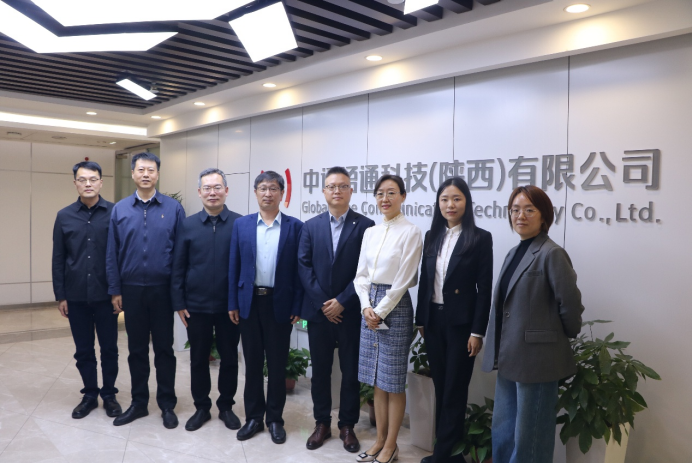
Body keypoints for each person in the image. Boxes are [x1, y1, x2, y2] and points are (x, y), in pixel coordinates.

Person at [481, 186, 584, 463]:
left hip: (538, 360)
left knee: (531, 436)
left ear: (544, 215)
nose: (520, 215)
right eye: (515, 210)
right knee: (504, 430)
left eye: (529, 209)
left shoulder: (551, 253)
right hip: (509, 355)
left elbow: (570, 303)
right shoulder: (514, 252)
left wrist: (561, 336)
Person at [416, 177, 494, 464]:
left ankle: (444, 456)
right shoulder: (432, 235)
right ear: (438, 203)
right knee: (440, 385)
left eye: (457, 198)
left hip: (461, 325)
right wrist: (421, 320)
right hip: (433, 322)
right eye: (445, 199)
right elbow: (426, 281)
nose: (450, 204)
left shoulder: (480, 238)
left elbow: (484, 289)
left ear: (467, 202)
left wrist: (477, 332)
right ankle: (449, 454)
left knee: (454, 389)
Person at [298, 167, 375, 454]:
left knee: (350, 371)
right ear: (324, 191)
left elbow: (366, 270)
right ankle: (321, 423)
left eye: (342, 186)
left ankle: (347, 426)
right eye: (331, 186)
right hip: (319, 314)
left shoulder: (365, 225)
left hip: (351, 312)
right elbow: (304, 267)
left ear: (351, 190)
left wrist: (342, 301)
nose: (337, 191)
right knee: (320, 371)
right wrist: (324, 303)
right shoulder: (310, 226)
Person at [106, 152, 186, 429]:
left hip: (162, 290)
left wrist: (178, 293)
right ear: (133, 174)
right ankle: (139, 403)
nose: (146, 174)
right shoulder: (120, 209)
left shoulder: (173, 208)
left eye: (151, 170)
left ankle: (167, 404)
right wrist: (115, 290)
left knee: (164, 349)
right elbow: (112, 253)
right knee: (136, 349)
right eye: (141, 170)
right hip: (131, 290)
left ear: (157, 174)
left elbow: (181, 254)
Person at [228, 171, 304, 444]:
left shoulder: (295, 227)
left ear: (282, 193)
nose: (268, 193)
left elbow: (299, 272)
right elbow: (234, 265)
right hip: (249, 303)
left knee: (277, 365)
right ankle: (253, 417)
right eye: (263, 188)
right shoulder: (242, 225)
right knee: (252, 364)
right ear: (256, 192)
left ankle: (274, 420)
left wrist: (298, 304)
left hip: (279, 304)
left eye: (273, 188)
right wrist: (233, 302)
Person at [355, 175, 423, 464]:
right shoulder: (370, 232)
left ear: (403, 196)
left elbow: (404, 280)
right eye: (380, 193)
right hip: (369, 305)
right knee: (376, 379)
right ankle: (379, 440)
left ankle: (391, 445)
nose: (385, 198)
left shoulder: (411, 232)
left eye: (391, 193)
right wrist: (365, 306)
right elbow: (360, 275)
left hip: (395, 306)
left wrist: (379, 310)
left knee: (392, 381)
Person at [171, 168, 242, 432]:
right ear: (199, 192)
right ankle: (201, 407)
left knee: (230, 359)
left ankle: (226, 407)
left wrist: (238, 302)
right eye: (207, 188)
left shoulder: (240, 223)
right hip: (196, 306)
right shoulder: (187, 225)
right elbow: (178, 266)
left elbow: (245, 267)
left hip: (229, 307)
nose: (212, 192)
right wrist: (179, 303)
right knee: (198, 358)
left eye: (217, 187)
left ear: (226, 190)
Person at [52, 161, 122, 420]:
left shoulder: (115, 213)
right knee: (83, 350)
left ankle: (109, 394)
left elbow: (121, 255)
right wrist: (61, 295)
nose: (88, 184)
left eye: (93, 179)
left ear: (101, 182)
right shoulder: (64, 216)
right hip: (76, 295)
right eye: (82, 180)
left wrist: (118, 291)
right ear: (75, 184)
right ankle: (90, 394)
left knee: (109, 349)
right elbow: (58, 258)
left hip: (107, 296)